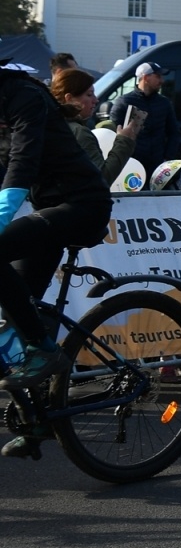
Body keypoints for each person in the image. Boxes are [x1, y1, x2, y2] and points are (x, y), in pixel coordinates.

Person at [0, 65, 114, 395]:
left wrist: (2, 215)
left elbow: (24, 159)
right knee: (16, 313)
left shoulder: (24, 95)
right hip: (49, 209)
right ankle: (37, 414)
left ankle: (44, 349)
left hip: (83, 206)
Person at [51, 68, 136, 185]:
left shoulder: (48, 127)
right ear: (69, 98)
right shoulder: (79, 133)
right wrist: (124, 140)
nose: (95, 100)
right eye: (89, 94)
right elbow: (101, 179)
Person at [108, 61, 180, 173]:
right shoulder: (124, 102)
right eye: (158, 76)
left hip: (157, 166)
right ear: (146, 77)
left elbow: (174, 132)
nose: (162, 81)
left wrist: (168, 158)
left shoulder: (164, 103)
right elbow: (114, 133)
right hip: (131, 166)